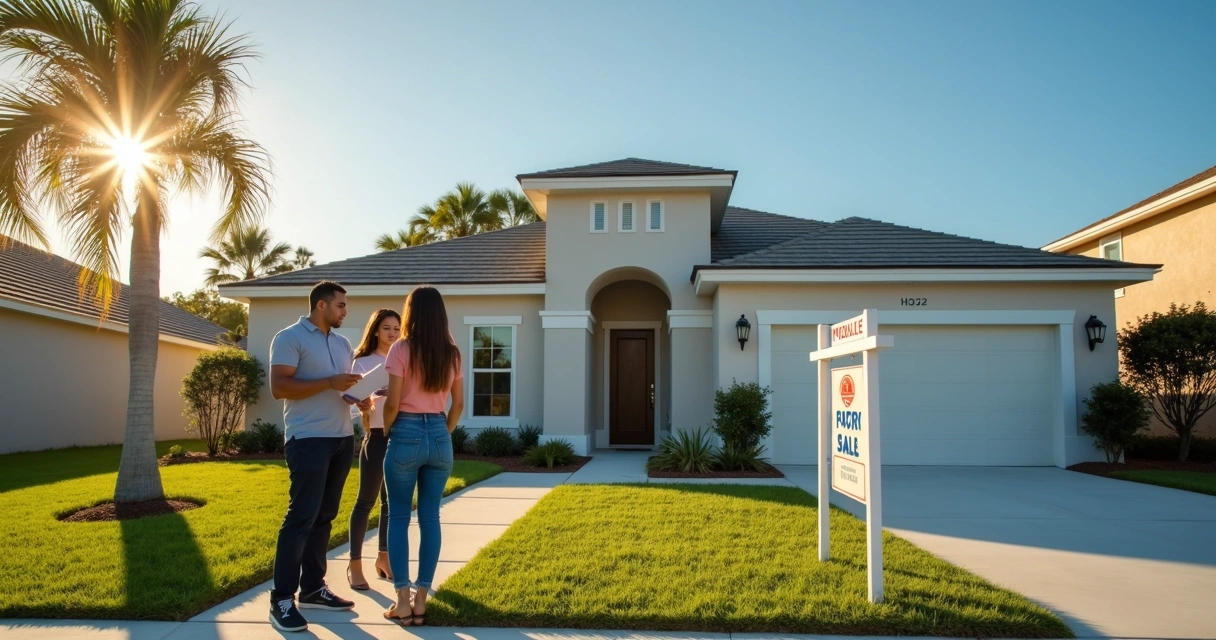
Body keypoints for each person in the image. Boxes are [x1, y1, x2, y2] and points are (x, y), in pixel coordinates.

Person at [267, 281, 371, 633]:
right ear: (322, 305)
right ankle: (281, 598)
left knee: (325, 516)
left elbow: (342, 390)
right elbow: (280, 387)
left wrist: (361, 397)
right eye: (341, 305)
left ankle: (313, 588)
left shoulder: (342, 344)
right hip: (307, 438)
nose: (345, 311)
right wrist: (330, 382)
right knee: (301, 518)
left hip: (342, 438)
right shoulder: (289, 337)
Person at [381, 286, 464, 627]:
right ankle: (421, 600)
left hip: (406, 431)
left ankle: (401, 599)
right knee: (430, 518)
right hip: (440, 435)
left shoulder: (401, 348)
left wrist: (387, 432)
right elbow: (457, 404)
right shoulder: (453, 353)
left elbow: (391, 403)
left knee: (399, 517)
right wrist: (443, 432)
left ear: (411, 312)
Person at [346, 308, 401, 590]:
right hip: (377, 436)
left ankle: (384, 558)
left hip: (401, 436)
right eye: (386, 328)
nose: (392, 333)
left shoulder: (404, 358)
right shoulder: (363, 361)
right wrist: (364, 402)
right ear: (375, 330)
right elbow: (355, 400)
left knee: (390, 504)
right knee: (365, 501)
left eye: (396, 328)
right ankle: (354, 564)